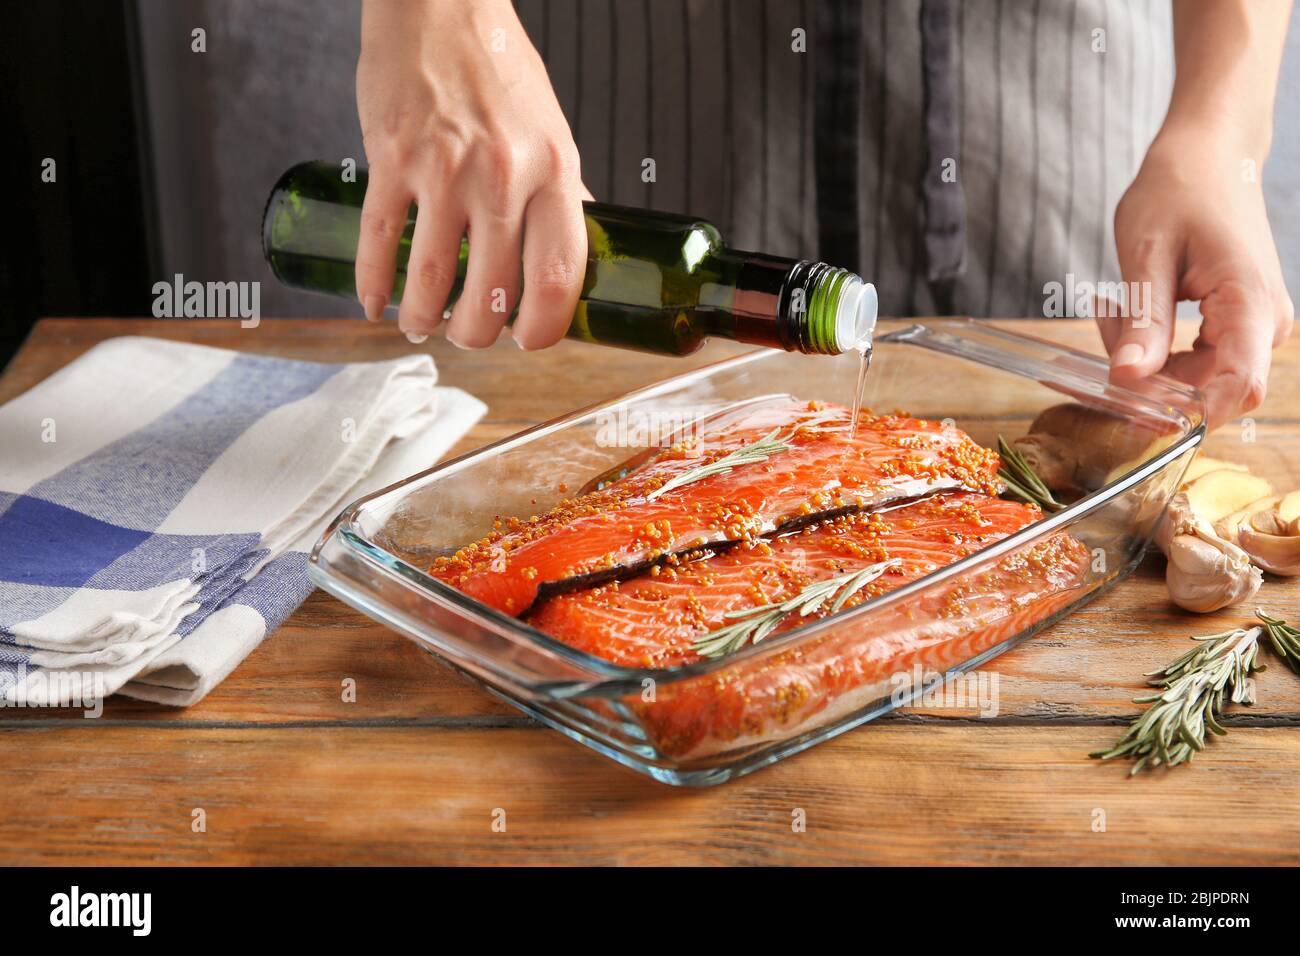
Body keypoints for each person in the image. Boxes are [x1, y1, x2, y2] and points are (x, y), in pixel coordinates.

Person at [352, 0, 1293, 429]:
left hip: (1044, 116)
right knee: (608, 424)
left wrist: (1220, 130)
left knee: (1067, 442)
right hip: (635, 104)